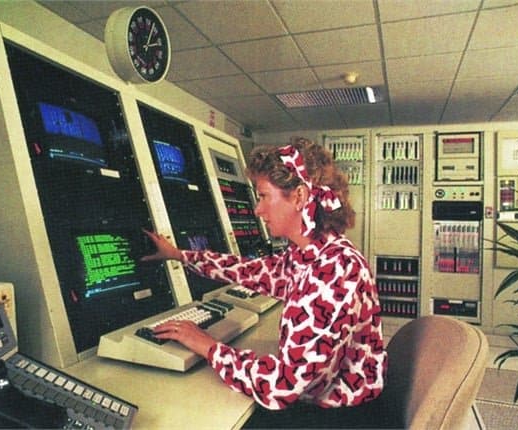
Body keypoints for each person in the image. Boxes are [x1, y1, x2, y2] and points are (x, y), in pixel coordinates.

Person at [142, 138, 387, 428]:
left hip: (338, 420)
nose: (258, 210)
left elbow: (282, 387)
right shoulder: (313, 253)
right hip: (327, 403)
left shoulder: (334, 271)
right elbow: (253, 271)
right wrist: (180, 255)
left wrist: (208, 346)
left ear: (298, 197)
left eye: (263, 196)